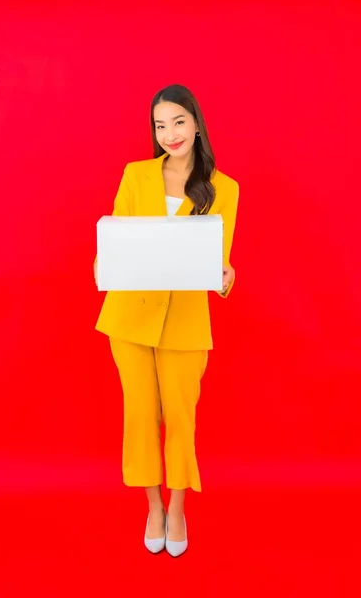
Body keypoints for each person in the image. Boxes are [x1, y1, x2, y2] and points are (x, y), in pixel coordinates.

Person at [93, 84, 239, 557]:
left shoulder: (224, 188)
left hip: (186, 323)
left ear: (196, 123)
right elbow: (118, 235)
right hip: (130, 317)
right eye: (161, 125)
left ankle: (177, 508)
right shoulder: (136, 176)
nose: (170, 133)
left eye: (178, 121)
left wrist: (226, 276)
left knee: (180, 418)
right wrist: (102, 261)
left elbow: (218, 261)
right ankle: (152, 506)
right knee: (139, 416)